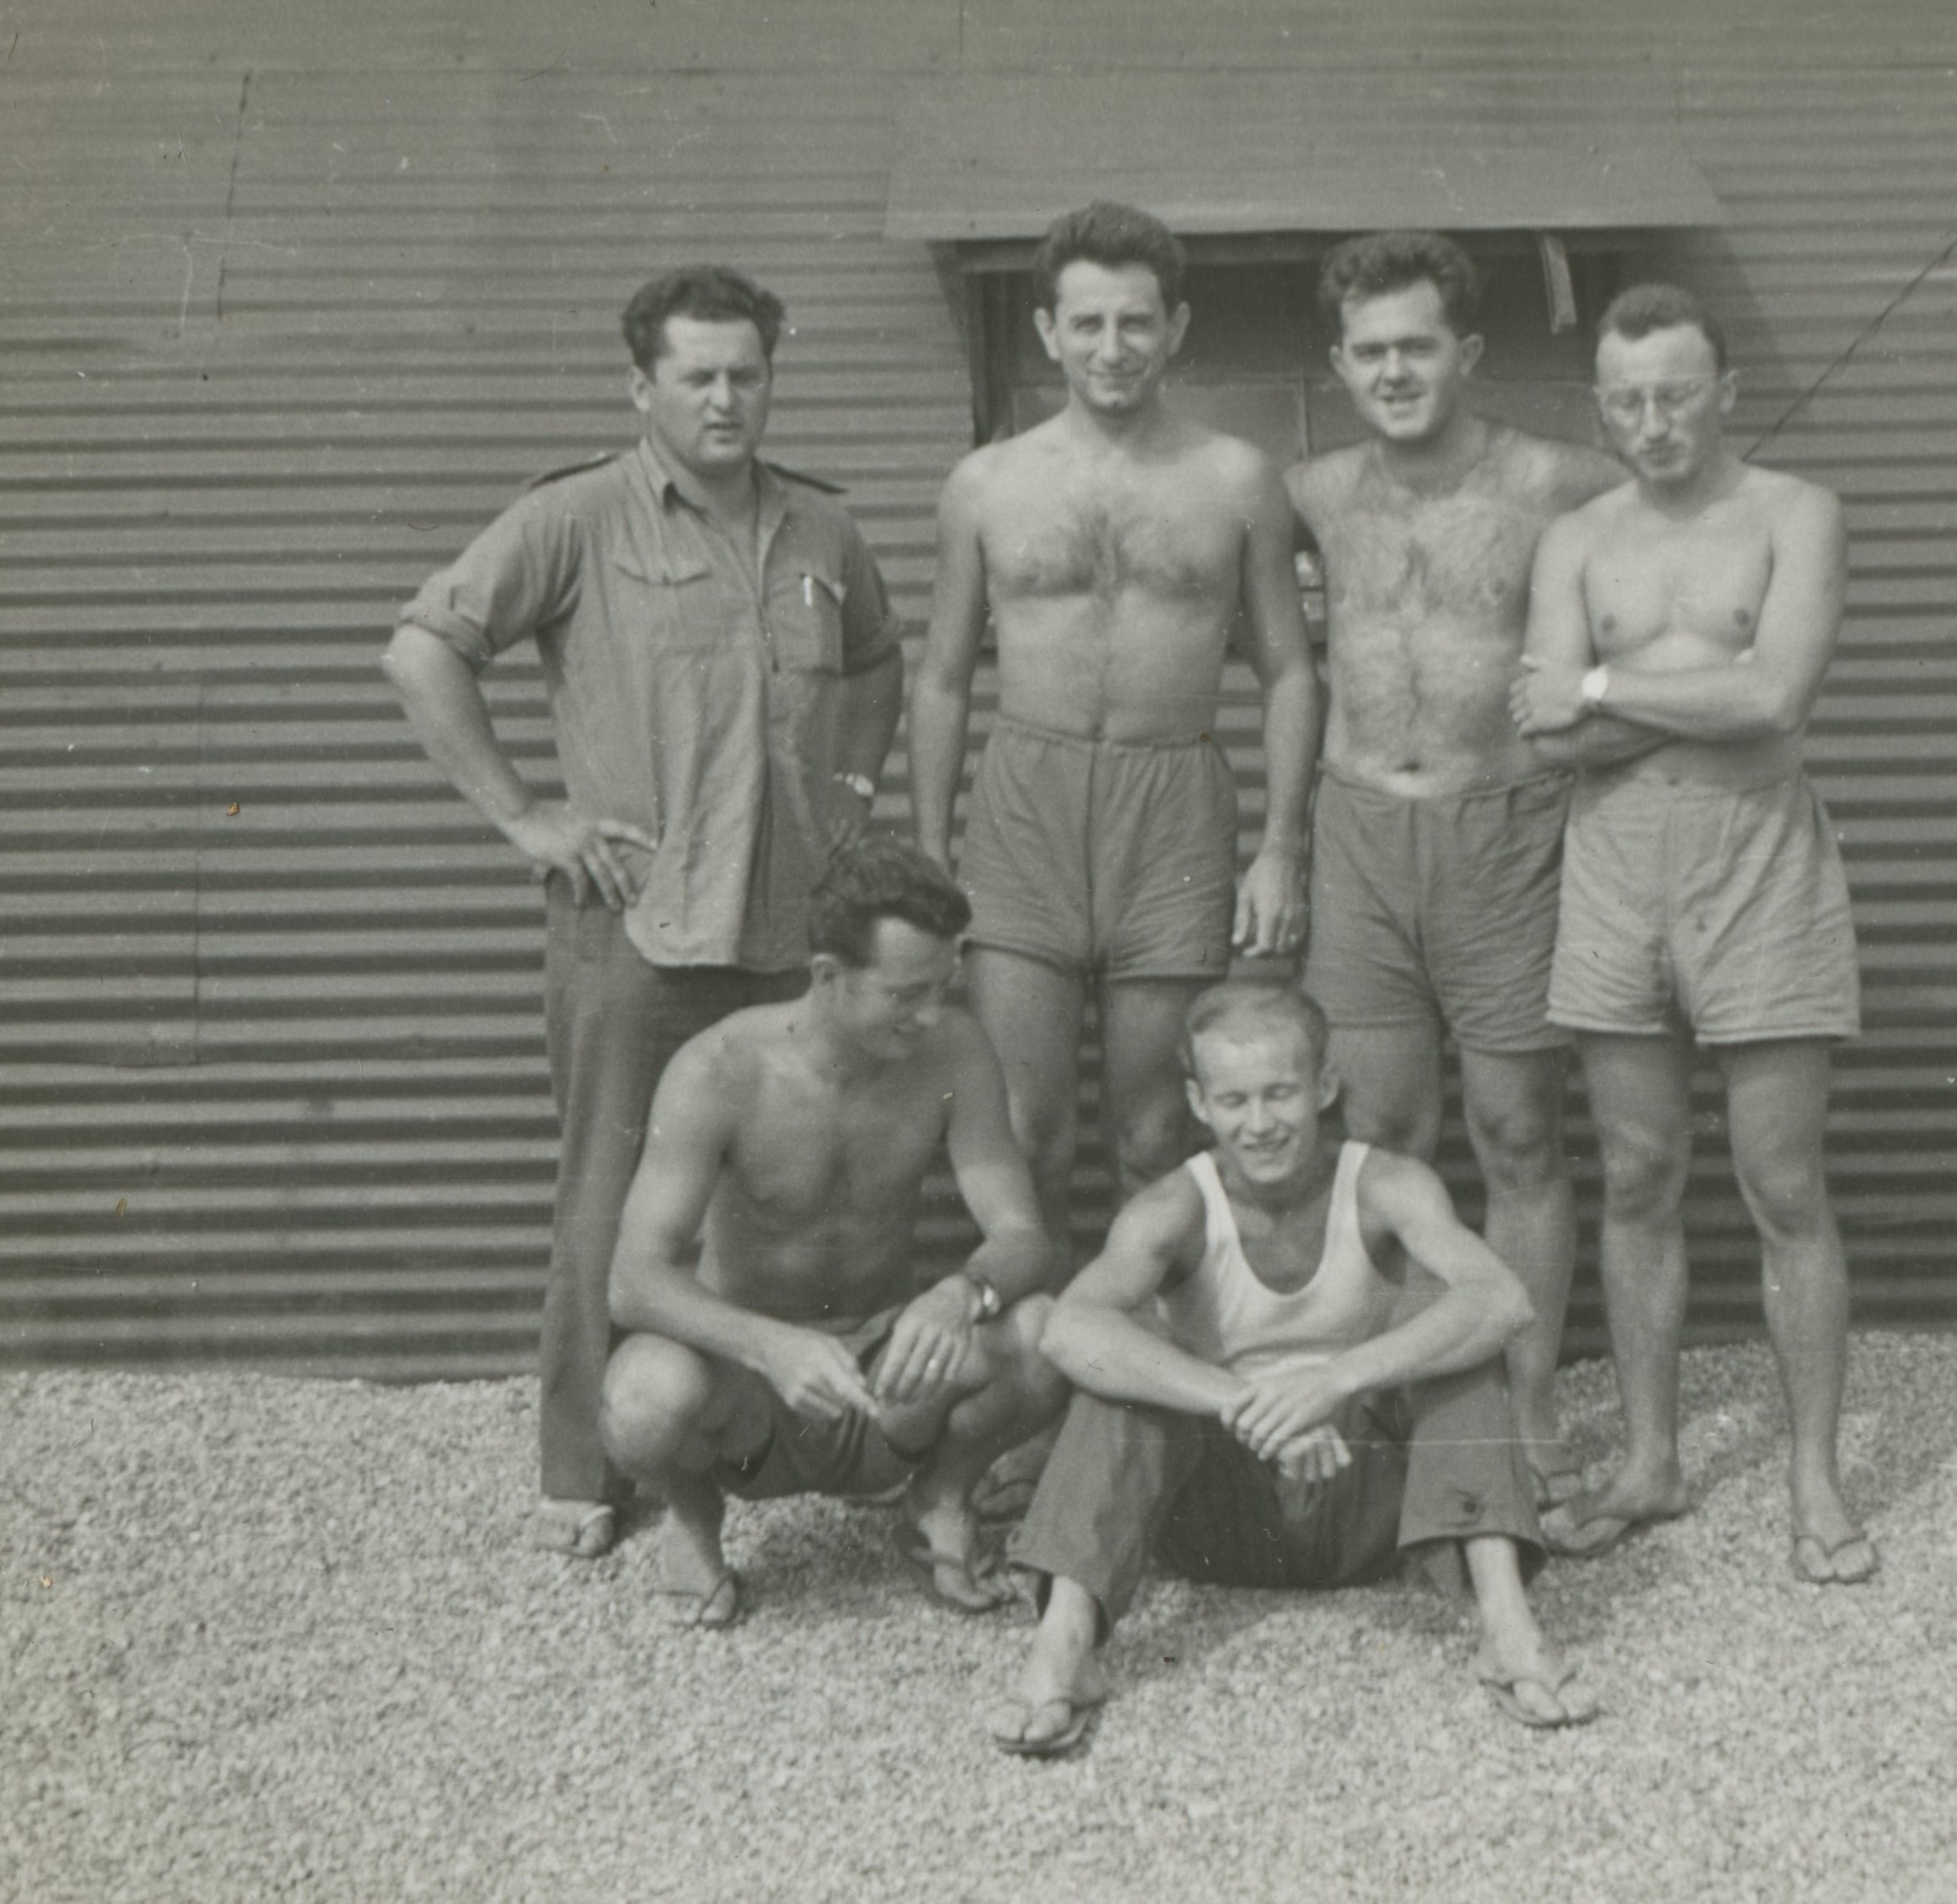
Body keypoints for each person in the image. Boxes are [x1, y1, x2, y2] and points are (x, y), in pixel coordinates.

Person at [382, 266, 903, 1560]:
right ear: (640, 387)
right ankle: (583, 1468)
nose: (726, 399)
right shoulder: (575, 517)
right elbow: (423, 648)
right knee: (607, 1199)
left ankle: (738, 1450)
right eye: (696, 376)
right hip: (638, 930)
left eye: (747, 374)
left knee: (765, 1196)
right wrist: (524, 816)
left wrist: (849, 789)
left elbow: (879, 659)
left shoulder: (822, 531)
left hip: (788, 930)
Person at [1510, 283, 1876, 1585]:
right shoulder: (1575, 539)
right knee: (1636, 1171)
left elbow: (1776, 699)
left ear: (1725, 391)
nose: (1651, 421)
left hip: (1758, 855)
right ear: (1598, 408)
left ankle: (1813, 1475)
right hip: (1613, 865)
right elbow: (1544, 739)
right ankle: (1651, 1457)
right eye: (1625, 401)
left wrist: (1601, 684)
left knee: (1782, 1183)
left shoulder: (1795, 514)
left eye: (1674, 394)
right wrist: (1692, 697)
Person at [985, 980, 1598, 1759]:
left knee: (1451, 1333)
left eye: (1280, 1094)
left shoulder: (1385, 1183)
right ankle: (1065, 1645)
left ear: (1325, 1087)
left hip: (1366, 1505)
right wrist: (1244, 1403)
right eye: (1234, 1101)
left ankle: (1507, 1629)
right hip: (1223, 1516)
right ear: (1199, 1103)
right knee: (1124, 1363)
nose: (1260, 1123)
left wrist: (1336, 1381)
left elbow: (1503, 1299)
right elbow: (1067, 1329)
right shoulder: (1174, 1206)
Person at [1286, 231, 1656, 1519]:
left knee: (1515, 1133)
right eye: (1369, 351)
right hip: (1357, 834)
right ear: (1340, 365)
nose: (1394, 371)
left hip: (1504, 829)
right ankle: (1397, 1404)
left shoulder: (1561, 480)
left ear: (1470, 353)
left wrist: (1595, 720)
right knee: (1379, 1137)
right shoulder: (1311, 491)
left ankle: (1522, 1403)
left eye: (1418, 346)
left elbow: (1666, 592)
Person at [909, 200, 1319, 1260]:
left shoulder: (1236, 478)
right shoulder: (985, 484)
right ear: (1046, 331)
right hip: (1024, 803)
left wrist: (1280, 844)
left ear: (1175, 327)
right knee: (1028, 1130)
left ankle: (1156, 1354)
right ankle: (1043, 1348)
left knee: (1155, 1130)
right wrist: (929, 852)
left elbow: (1287, 669)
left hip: (1170, 801)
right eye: (1086, 323)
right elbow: (943, 677)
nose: (1112, 347)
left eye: (1136, 321)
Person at [598, 838, 1066, 1627]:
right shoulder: (719, 1071)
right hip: (748, 1397)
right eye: (905, 994)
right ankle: (693, 1513)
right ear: (827, 977)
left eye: (943, 987)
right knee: (643, 1400)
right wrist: (768, 1347)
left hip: (886, 1384)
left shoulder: (953, 1051)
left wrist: (962, 1294)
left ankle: (939, 1499)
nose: (930, 1014)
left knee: (1046, 1335)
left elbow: (1023, 1233)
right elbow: (633, 1281)